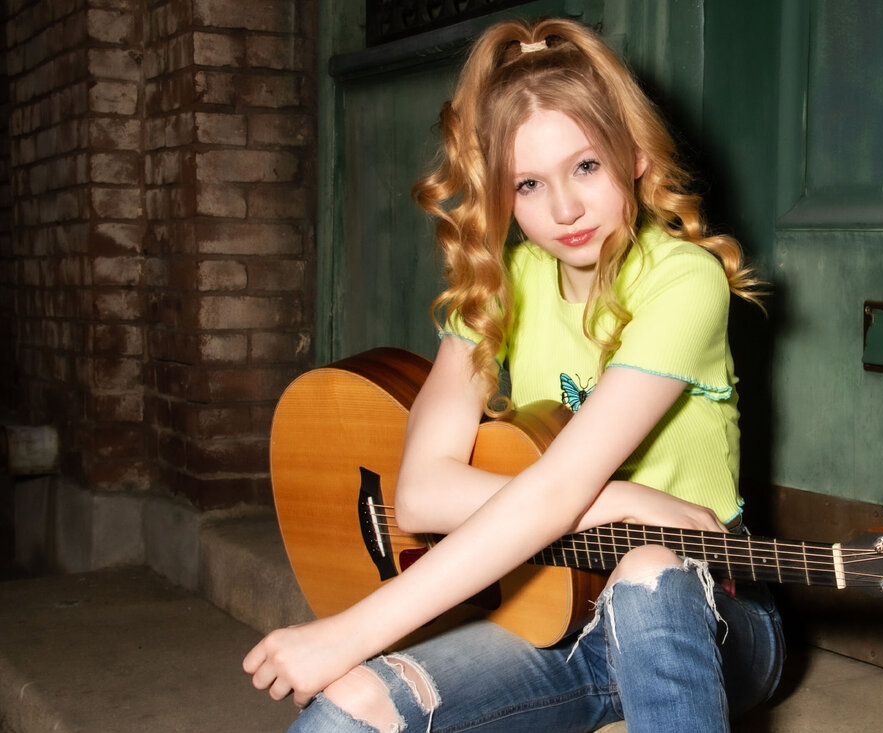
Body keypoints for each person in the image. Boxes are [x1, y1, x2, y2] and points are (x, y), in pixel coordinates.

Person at [244, 16, 785, 733]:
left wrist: (349, 632)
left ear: (636, 158)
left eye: (586, 166)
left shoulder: (685, 282)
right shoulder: (500, 285)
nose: (564, 209)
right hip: (561, 611)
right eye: (528, 183)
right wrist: (619, 499)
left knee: (650, 574)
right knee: (344, 715)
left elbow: (557, 488)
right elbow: (421, 492)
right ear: (500, 192)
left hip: (714, 613)